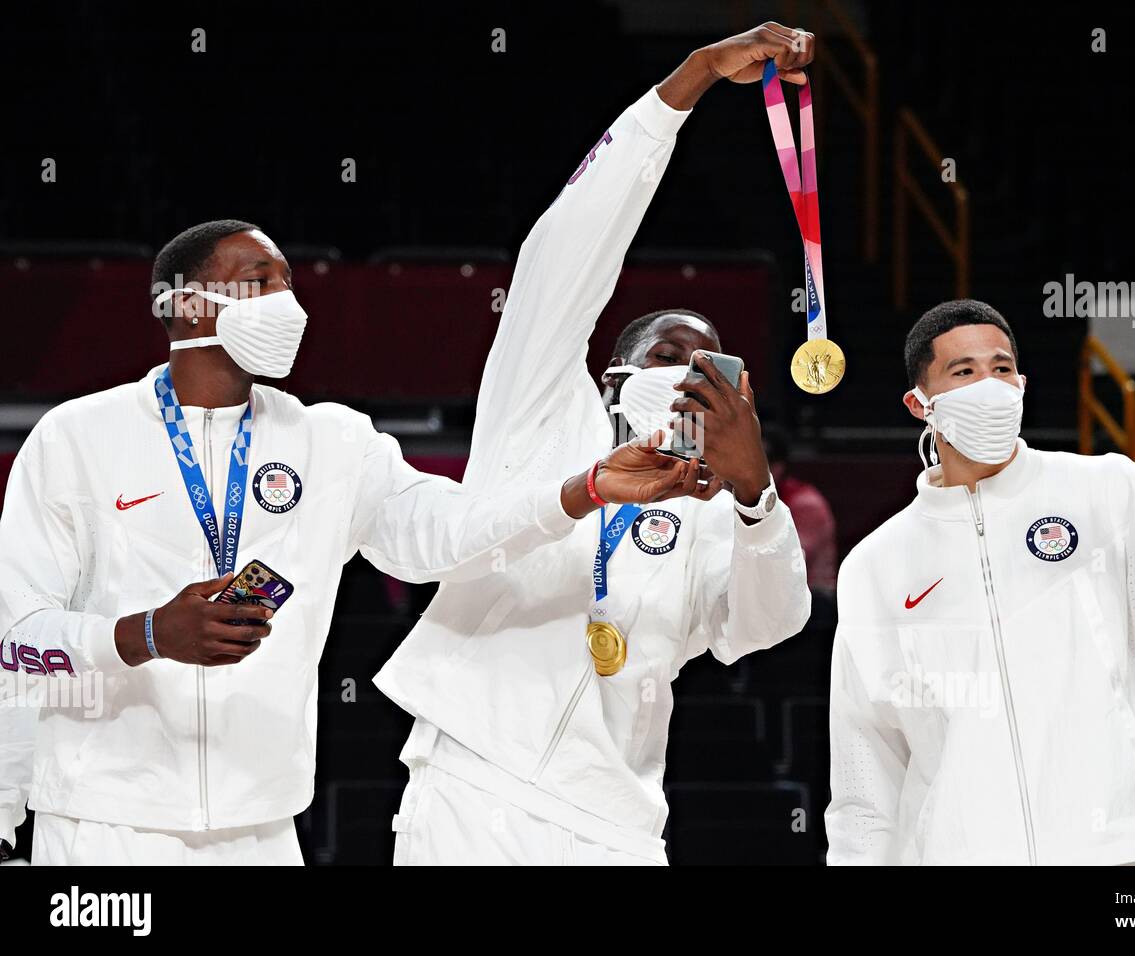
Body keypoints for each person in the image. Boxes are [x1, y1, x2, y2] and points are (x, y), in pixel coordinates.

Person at [0, 220, 702, 865]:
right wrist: (150, 633)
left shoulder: (333, 441)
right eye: (258, 282)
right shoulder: (77, 438)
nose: (286, 302)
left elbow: (451, 537)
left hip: (265, 827)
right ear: (186, 306)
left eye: (288, 283)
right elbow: (16, 642)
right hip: (104, 823)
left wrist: (587, 487)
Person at [374, 22, 815, 866]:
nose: (689, 370)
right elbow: (562, 253)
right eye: (667, 355)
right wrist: (682, 88)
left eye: (709, 360)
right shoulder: (541, 412)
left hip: (615, 818)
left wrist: (759, 500)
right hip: (473, 785)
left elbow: (764, 626)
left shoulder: (724, 509)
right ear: (614, 374)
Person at [826, 299, 1135, 866]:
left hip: (1123, 854)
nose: (989, 385)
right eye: (964, 372)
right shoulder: (877, 564)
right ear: (921, 404)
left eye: (1002, 368)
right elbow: (866, 771)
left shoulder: (1110, 491)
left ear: (1022, 383)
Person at [764, 424, 837, 592]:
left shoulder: (806, 503)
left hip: (813, 598)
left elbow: (789, 564)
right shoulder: (733, 496)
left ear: (777, 466)